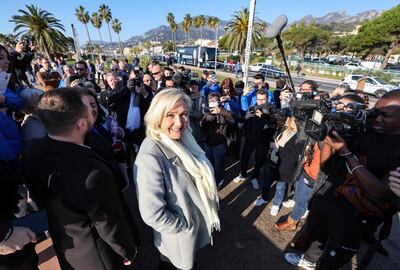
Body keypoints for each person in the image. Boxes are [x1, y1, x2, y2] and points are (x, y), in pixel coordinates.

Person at [21, 89, 139, 269]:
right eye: (89, 109)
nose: (94, 110)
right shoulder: (93, 172)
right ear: (81, 124)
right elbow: (109, 225)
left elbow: (38, 194)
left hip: (66, 247)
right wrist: (127, 251)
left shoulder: (31, 150)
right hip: (97, 256)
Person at [285, 89, 400, 270]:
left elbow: (380, 192)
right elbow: (327, 167)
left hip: (357, 215)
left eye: (385, 115)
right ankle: (308, 261)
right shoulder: (366, 129)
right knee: (317, 236)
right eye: (375, 112)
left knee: (335, 255)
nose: (376, 119)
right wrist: (327, 140)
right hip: (331, 198)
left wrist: (346, 153)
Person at [134, 89, 220, 270]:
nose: (179, 122)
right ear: (157, 117)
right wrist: (185, 227)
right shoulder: (150, 155)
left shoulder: (184, 138)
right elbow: (152, 214)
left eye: (184, 115)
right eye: (170, 115)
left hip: (189, 235)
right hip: (177, 242)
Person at [234, 90, 277, 189]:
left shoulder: (272, 109)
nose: (261, 102)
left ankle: (254, 177)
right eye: (259, 99)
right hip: (250, 137)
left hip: (264, 139)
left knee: (259, 160)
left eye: (263, 100)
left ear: (267, 98)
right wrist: (246, 117)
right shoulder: (252, 107)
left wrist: (262, 115)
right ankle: (243, 173)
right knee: (245, 157)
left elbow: (274, 124)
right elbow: (243, 121)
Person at [200, 93, 236, 187]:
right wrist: (207, 119)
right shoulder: (207, 112)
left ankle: (219, 179)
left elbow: (234, 118)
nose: (213, 103)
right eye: (211, 101)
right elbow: (201, 125)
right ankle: (211, 179)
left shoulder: (223, 110)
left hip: (220, 143)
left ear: (219, 102)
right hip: (208, 143)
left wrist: (221, 111)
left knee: (218, 165)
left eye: (215, 101)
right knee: (209, 163)